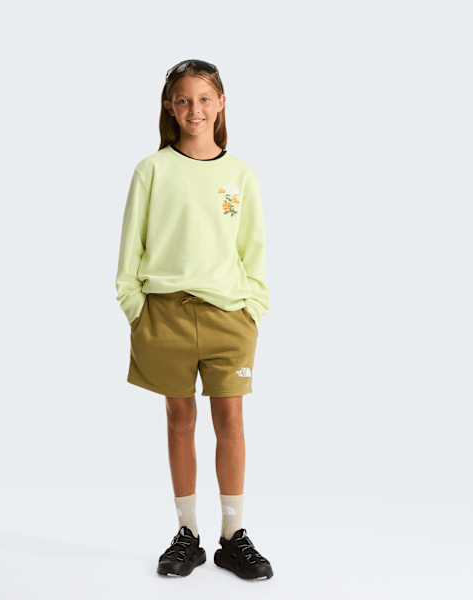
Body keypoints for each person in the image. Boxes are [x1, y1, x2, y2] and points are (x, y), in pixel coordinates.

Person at [115, 59, 273, 580]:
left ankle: (233, 535)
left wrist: (253, 308)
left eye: (204, 99)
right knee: (179, 419)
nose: (194, 109)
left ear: (221, 103)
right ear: (169, 106)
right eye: (183, 100)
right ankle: (187, 532)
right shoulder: (153, 170)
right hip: (165, 314)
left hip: (229, 317)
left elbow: (253, 248)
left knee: (231, 421)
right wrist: (136, 309)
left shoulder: (240, 175)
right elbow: (131, 246)